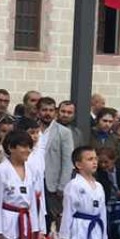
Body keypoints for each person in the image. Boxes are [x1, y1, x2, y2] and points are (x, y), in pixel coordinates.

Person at [40, 97, 73, 227]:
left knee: (51, 221)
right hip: (33, 179)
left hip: (52, 184)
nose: (47, 113)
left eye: (51, 110)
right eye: (44, 110)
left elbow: (68, 161)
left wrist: (62, 186)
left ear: (55, 112)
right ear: (38, 111)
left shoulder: (64, 132)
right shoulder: (32, 129)